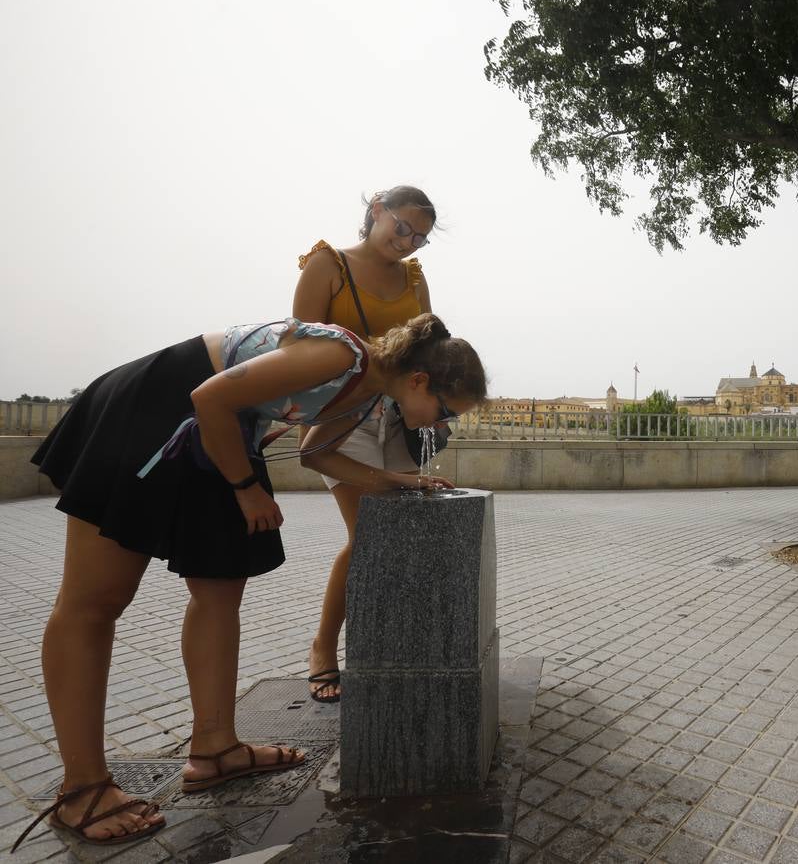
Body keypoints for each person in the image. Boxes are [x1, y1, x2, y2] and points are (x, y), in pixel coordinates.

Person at [14, 313, 485, 851]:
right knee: (97, 600)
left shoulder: (366, 394)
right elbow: (208, 397)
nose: (439, 425)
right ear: (420, 380)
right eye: (446, 412)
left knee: (220, 585)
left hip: (224, 434)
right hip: (158, 410)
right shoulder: (343, 356)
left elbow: (315, 452)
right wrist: (244, 488)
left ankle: (215, 748)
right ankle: (82, 789)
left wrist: (400, 480)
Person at [291, 186, 439, 703]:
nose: (409, 242)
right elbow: (297, 348)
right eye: (403, 227)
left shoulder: (414, 278)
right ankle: (323, 647)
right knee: (368, 534)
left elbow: (428, 347)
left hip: (396, 419)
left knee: (394, 533)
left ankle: (387, 643)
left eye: (420, 237)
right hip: (342, 417)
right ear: (376, 210)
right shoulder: (327, 264)